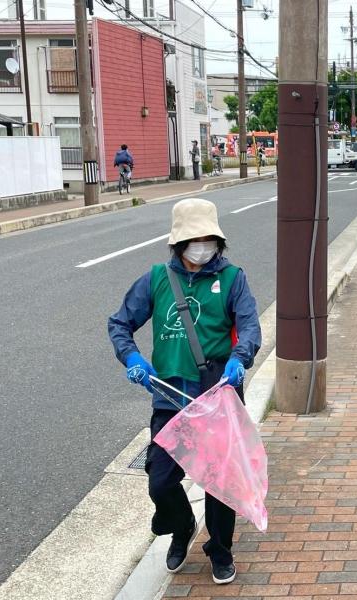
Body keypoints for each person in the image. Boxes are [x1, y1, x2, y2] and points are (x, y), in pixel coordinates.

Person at [108, 198, 262, 585]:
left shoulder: (231, 278)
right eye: (195, 237)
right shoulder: (158, 278)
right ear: (179, 241)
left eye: (209, 237)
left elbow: (250, 327)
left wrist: (239, 358)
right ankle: (181, 526)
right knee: (161, 480)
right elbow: (120, 324)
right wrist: (132, 359)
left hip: (218, 395)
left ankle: (221, 550)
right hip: (169, 395)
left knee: (219, 482)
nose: (203, 244)